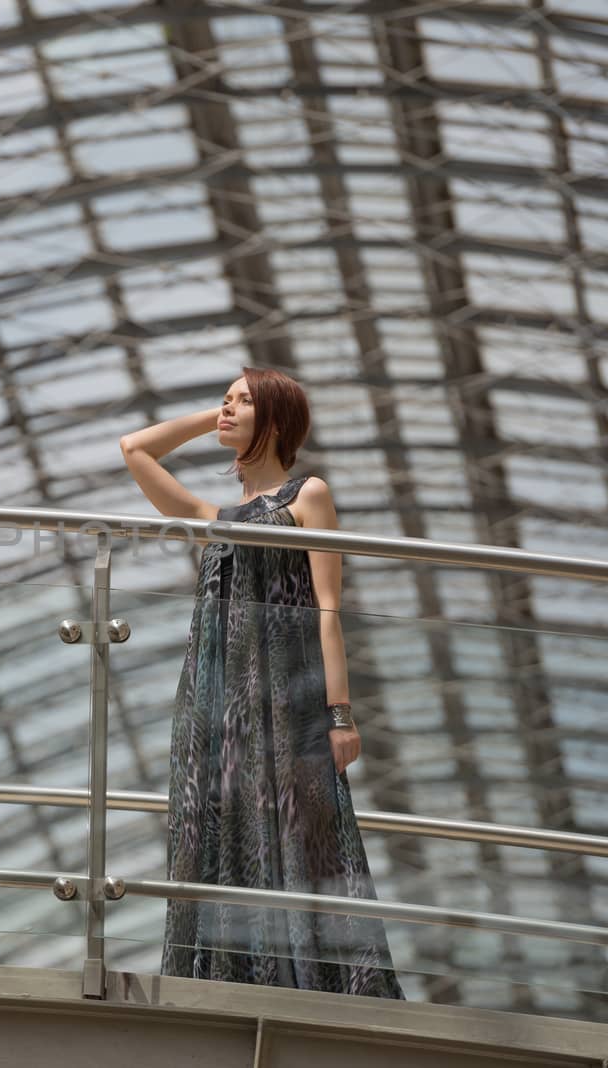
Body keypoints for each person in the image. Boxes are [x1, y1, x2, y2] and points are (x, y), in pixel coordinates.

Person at [118, 365, 405, 998]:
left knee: (304, 840)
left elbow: (329, 607)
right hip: (216, 706)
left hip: (289, 699)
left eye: (241, 402)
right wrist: (214, 416)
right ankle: (225, 983)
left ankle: (326, 991)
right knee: (219, 832)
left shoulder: (309, 496)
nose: (226, 410)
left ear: (275, 418)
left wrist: (340, 714)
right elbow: (135, 449)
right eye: (224, 401)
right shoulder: (209, 515)